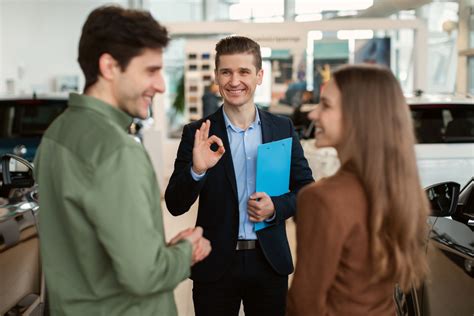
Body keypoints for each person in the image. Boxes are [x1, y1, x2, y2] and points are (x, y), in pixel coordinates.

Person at [34, 5, 211, 315]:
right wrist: (186, 253)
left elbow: (90, 253)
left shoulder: (55, 136)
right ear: (110, 67)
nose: (161, 85)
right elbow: (143, 276)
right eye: (151, 70)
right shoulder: (117, 150)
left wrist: (162, 252)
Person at [165, 36, 314, 316]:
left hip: (269, 262)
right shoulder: (198, 133)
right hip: (215, 266)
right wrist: (197, 170)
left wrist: (275, 208)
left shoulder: (281, 129)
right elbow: (175, 203)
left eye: (244, 72)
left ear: (259, 76)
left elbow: (307, 190)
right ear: (217, 77)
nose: (235, 81)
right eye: (226, 72)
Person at [286, 64, 430, 316]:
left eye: (326, 105)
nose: (313, 114)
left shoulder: (322, 199)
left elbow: (304, 305)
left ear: (357, 116)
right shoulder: (401, 190)